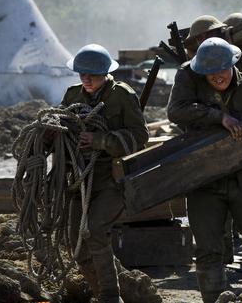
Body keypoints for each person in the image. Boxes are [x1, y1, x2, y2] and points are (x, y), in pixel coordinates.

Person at [166, 37, 242, 303]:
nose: (216, 76)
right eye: (209, 72)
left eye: (221, 69)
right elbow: (175, 111)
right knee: (208, 251)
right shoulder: (188, 77)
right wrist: (218, 116)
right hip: (204, 180)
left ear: (232, 64)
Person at [62, 44, 149, 303]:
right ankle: (105, 291)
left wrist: (101, 140)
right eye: (81, 75)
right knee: (76, 245)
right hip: (79, 180)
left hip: (113, 179)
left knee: (96, 231)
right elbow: (61, 124)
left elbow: (139, 136)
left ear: (105, 73)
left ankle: (111, 297)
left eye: (92, 75)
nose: (86, 80)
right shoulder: (72, 95)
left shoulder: (122, 95)